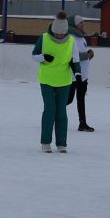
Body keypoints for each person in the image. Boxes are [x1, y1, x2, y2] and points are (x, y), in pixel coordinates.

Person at [35, 10, 78, 153]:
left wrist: (77, 73)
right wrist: (43, 57)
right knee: (49, 110)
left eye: (62, 33)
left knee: (61, 112)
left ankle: (61, 144)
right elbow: (34, 55)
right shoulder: (44, 38)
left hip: (64, 81)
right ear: (53, 30)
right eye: (57, 33)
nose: (59, 35)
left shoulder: (71, 40)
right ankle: (46, 142)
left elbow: (74, 59)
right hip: (46, 79)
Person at [70, 29, 97, 132]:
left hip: (83, 76)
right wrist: (87, 55)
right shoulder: (71, 38)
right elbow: (73, 56)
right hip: (73, 75)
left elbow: (84, 56)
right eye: (80, 23)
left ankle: (82, 123)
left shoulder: (82, 38)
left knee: (81, 100)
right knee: (68, 99)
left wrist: (89, 55)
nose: (83, 25)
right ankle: (51, 114)